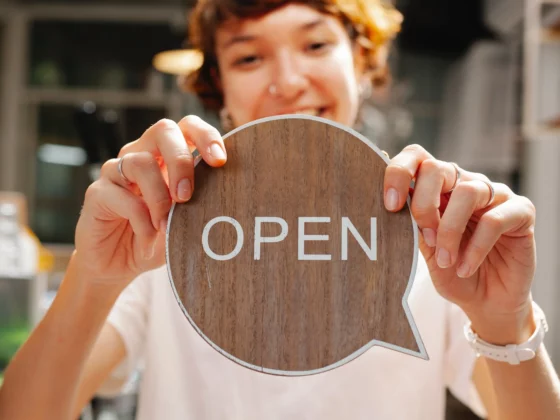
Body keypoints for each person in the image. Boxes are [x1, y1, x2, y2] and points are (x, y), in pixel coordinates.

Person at [1, 1, 560, 419]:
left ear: (364, 65)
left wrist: (504, 323)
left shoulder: (437, 232)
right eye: (249, 57)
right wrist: (93, 276)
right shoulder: (169, 229)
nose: (288, 82)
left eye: (316, 46)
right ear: (218, 87)